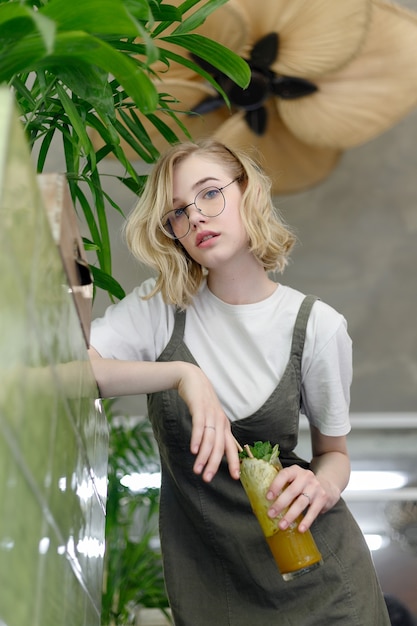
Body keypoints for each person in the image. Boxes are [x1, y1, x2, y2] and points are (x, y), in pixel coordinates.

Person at [89, 139, 391, 625]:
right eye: (178, 214)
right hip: (215, 589)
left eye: (210, 194)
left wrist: (322, 487)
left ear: (248, 191)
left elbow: (334, 454)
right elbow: (74, 372)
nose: (197, 218)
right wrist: (183, 375)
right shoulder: (159, 310)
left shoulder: (316, 325)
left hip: (324, 584)